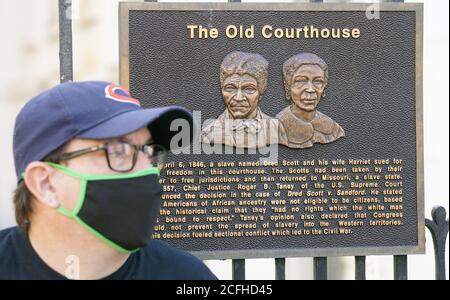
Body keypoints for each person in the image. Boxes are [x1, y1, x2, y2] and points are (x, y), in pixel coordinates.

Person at [0, 81, 217, 280]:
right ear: (45, 183)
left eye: (149, 151)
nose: (147, 170)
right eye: (118, 150)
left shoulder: (186, 276)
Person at [201, 51, 280, 148]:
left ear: (260, 92)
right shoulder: (209, 134)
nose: (238, 98)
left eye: (248, 89)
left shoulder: (277, 130)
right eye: (230, 88)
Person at [276, 53, 345, 148]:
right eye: (301, 81)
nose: (310, 89)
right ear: (288, 86)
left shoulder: (335, 130)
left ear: (324, 87)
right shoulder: (274, 130)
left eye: (318, 81)